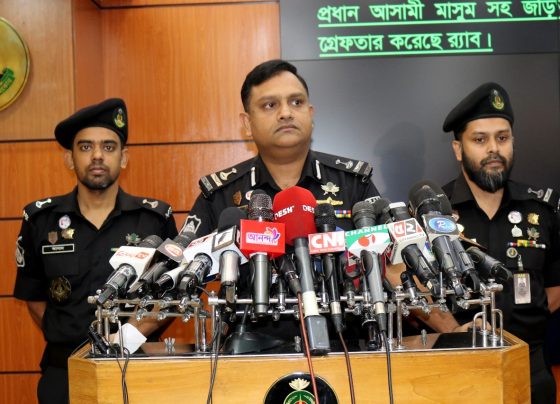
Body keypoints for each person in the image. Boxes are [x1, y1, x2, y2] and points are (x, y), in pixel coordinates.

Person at [183, 59, 469, 348]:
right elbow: (179, 275)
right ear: (247, 123)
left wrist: (455, 330)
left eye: (296, 102)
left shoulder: (353, 183)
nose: (286, 113)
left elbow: (394, 267)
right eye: (270, 105)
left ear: (310, 114)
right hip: (250, 352)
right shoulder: (221, 195)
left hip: (346, 347)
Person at [13, 98, 178, 404]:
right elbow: (33, 295)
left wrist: (127, 337)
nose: (98, 155)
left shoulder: (154, 220)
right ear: (69, 158)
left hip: (137, 368)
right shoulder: (40, 220)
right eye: (86, 147)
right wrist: (71, 337)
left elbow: (171, 295)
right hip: (64, 372)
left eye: (108, 146)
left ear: (124, 158)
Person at [441, 82, 560, 404]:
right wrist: (456, 329)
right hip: (456, 370)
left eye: (502, 138)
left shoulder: (543, 209)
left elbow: (555, 287)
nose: (494, 149)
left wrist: (521, 324)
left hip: (531, 368)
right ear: (458, 149)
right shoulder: (433, 213)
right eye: (480, 139)